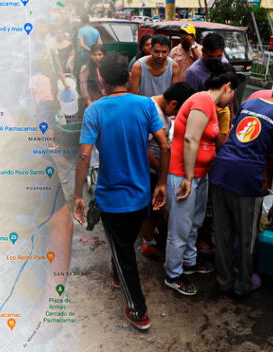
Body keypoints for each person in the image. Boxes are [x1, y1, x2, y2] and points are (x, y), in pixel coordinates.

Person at [73, 52, 170, 331]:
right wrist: (161, 183)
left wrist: (78, 195)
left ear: (101, 79)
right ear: (128, 77)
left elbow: (83, 156)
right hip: (141, 195)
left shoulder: (94, 111)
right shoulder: (145, 105)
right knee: (124, 244)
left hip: (112, 199)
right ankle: (118, 268)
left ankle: (138, 310)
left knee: (125, 251)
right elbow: (164, 145)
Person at [209, 76, 273, 296]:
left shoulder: (250, 104)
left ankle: (224, 281)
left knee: (222, 233)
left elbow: (245, 139)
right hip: (246, 179)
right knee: (246, 236)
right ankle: (242, 284)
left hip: (221, 170)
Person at [164, 63, 239, 296]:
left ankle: (189, 262)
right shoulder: (202, 101)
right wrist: (187, 177)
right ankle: (173, 274)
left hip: (199, 175)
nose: (233, 98)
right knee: (180, 227)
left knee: (194, 223)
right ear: (227, 86)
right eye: (234, 93)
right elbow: (190, 139)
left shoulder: (213, 106)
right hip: (184, 175)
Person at [141, 82, 195, 259]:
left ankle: (152, 234)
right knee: (150, 208)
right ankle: (148, 244)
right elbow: (143, 147)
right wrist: (160, 168)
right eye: (178, 111)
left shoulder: (157, 107)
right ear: (173, 103)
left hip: (155, 168)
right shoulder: (153, 112)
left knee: (155, 207)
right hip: (148, 168)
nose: (177, 115)